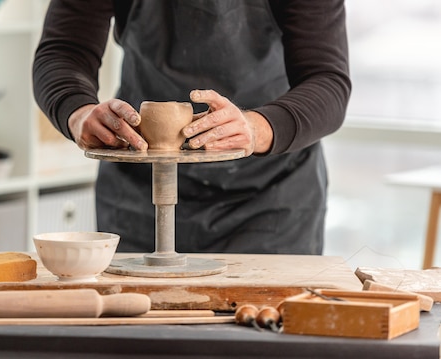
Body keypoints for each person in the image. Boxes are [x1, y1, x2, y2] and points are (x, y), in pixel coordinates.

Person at [33, 0, 351, 254]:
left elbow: (327, 81)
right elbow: (64, 51)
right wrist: (78, 113)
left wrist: (256, 128)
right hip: (136, 195)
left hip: (269, 197)